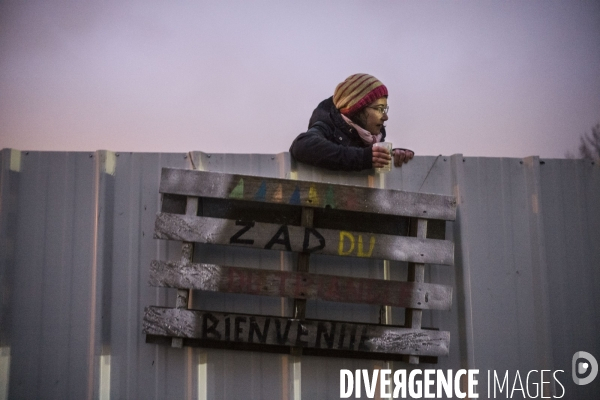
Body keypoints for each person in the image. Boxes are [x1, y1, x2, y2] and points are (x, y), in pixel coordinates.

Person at [289, 73, 414, 171]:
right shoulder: (327, 127)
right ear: (356, 109)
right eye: (378, 109)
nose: (385, 117)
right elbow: (302, 146)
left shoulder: (372, 137)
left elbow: (367, 155)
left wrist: (391, 155)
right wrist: (364, 158)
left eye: (385, 109)